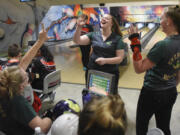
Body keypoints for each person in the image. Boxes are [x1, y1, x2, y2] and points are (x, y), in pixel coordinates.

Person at [128, 6, 180, 135]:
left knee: (141, 125)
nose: (159, 20)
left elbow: (139, 68)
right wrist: (171, 85)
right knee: (164, 127)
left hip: (152, 93)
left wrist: (135, 42)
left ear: (168, 21)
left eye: (161, 17)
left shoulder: (162, 45)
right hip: (171, 92)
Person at [0, 23, 53, 135]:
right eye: (26, 79)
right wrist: (50, 116)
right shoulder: (18, 101)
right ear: (22, 86)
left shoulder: (6, 86)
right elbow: (42, 128)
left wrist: (40, 41)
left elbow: (23, 64)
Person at [73, 14, 126, 92]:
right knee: (92, 96)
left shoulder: (117, 39)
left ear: (112, 23)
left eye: (107, 18)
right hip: (93, 71)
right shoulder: (94, 35)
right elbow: (77, 40)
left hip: (109, 73)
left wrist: (105, 60)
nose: (103, 19)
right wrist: (79, 27)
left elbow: (119, 58)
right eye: (102, 18)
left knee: (108, 98)